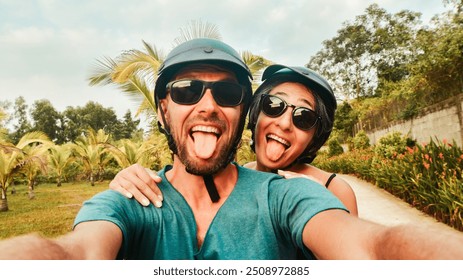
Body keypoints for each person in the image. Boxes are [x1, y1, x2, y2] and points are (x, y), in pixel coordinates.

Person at [1, 38, 463, 260]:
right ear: (162, 109)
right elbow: (75, 254)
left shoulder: (288, 193)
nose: (206, 106)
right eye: (185, 91)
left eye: (226, 94)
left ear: (242, 111)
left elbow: (374, 247)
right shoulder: (130, 200)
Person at [110, 64, 358, 216]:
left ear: (316, 136)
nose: (284, 123)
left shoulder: (332, 190)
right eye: (274, 105)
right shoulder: (241, 177)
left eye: (303, 117)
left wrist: (316, 203)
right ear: (254, 115)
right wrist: (129, 180)